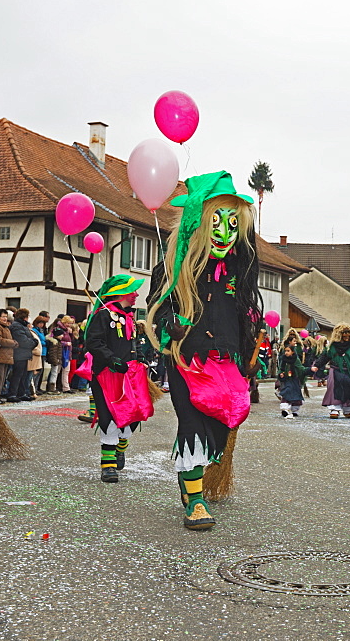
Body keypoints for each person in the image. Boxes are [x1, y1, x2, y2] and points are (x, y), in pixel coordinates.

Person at [146, 170, 262, 530]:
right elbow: (158, 308)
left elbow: (245, 311)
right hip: (187, 357)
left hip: (227, 360)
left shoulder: (239, 268)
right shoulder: (172, 269)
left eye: (232, 222)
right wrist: (170, 327)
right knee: (192, 423)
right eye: (216, 221)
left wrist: (248, 352)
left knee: (221, 425)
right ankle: (193, 500)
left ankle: (200, 478)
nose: (225, 232)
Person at [85, 274, 154, 482]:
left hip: (132, 375)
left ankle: (120, 446)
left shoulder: (129, 316)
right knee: (109, 417)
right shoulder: (103, 315)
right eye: (133, 291)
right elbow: (93, 342)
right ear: (122, 292)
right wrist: (111, 359)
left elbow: (134, 342)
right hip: (108, 375)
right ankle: (108, 466)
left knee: (134, 415)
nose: (137, 294)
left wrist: (141, 358)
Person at [311, 324, 350, 418]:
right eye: (344, 333)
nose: (347, 335)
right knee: (334, 389)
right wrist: (317, 365)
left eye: (348, 333)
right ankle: (335, 409)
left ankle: (347, 409)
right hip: (335, 370)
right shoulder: (332, 346)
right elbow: (325, 356)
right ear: (339, 334)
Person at [6, 308, 37, 402]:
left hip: (24, 354)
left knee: (23, 375)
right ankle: (12, 394)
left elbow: (30, 338)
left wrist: (33, 342)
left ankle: (21, 393)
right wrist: (33, 343)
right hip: (18, 354)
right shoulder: (17, 326)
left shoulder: (22, 326)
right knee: (17, 375)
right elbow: (23, 341)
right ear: (24, 317)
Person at [277, 344, 306, 418]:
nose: (286, 352)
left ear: (292, 352)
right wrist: (281, 373)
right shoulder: (283, 359)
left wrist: (307, 371)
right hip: (286, 380)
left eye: (288, 351)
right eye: (285, 351)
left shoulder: (296, 359)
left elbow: (300, 369)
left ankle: (295, 410)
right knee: (286, 392)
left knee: (295, 394)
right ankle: (285, 409)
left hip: (294, 379)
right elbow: (281, 368)